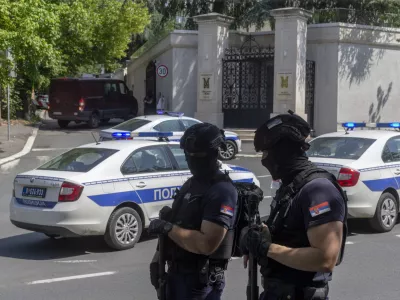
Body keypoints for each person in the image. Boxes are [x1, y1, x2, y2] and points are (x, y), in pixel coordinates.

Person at [240, 110, 347, 300]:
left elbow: (325, 258)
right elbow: (291, 232)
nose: (264, 159)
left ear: (283, 150)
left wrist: (266, 248)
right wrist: (259, 233)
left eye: (267, 152)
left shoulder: (318, 190)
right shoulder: (292, 186)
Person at [148, 123, 238, 300]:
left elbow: (206, 244)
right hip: (176, 274)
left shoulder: (222, 191)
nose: (191, 160)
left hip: (200, 281)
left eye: (198, 156)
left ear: (213, 154)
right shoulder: (191, 184)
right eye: (188, 155)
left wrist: (166, 228)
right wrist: (157, 258)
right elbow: (175, 223)